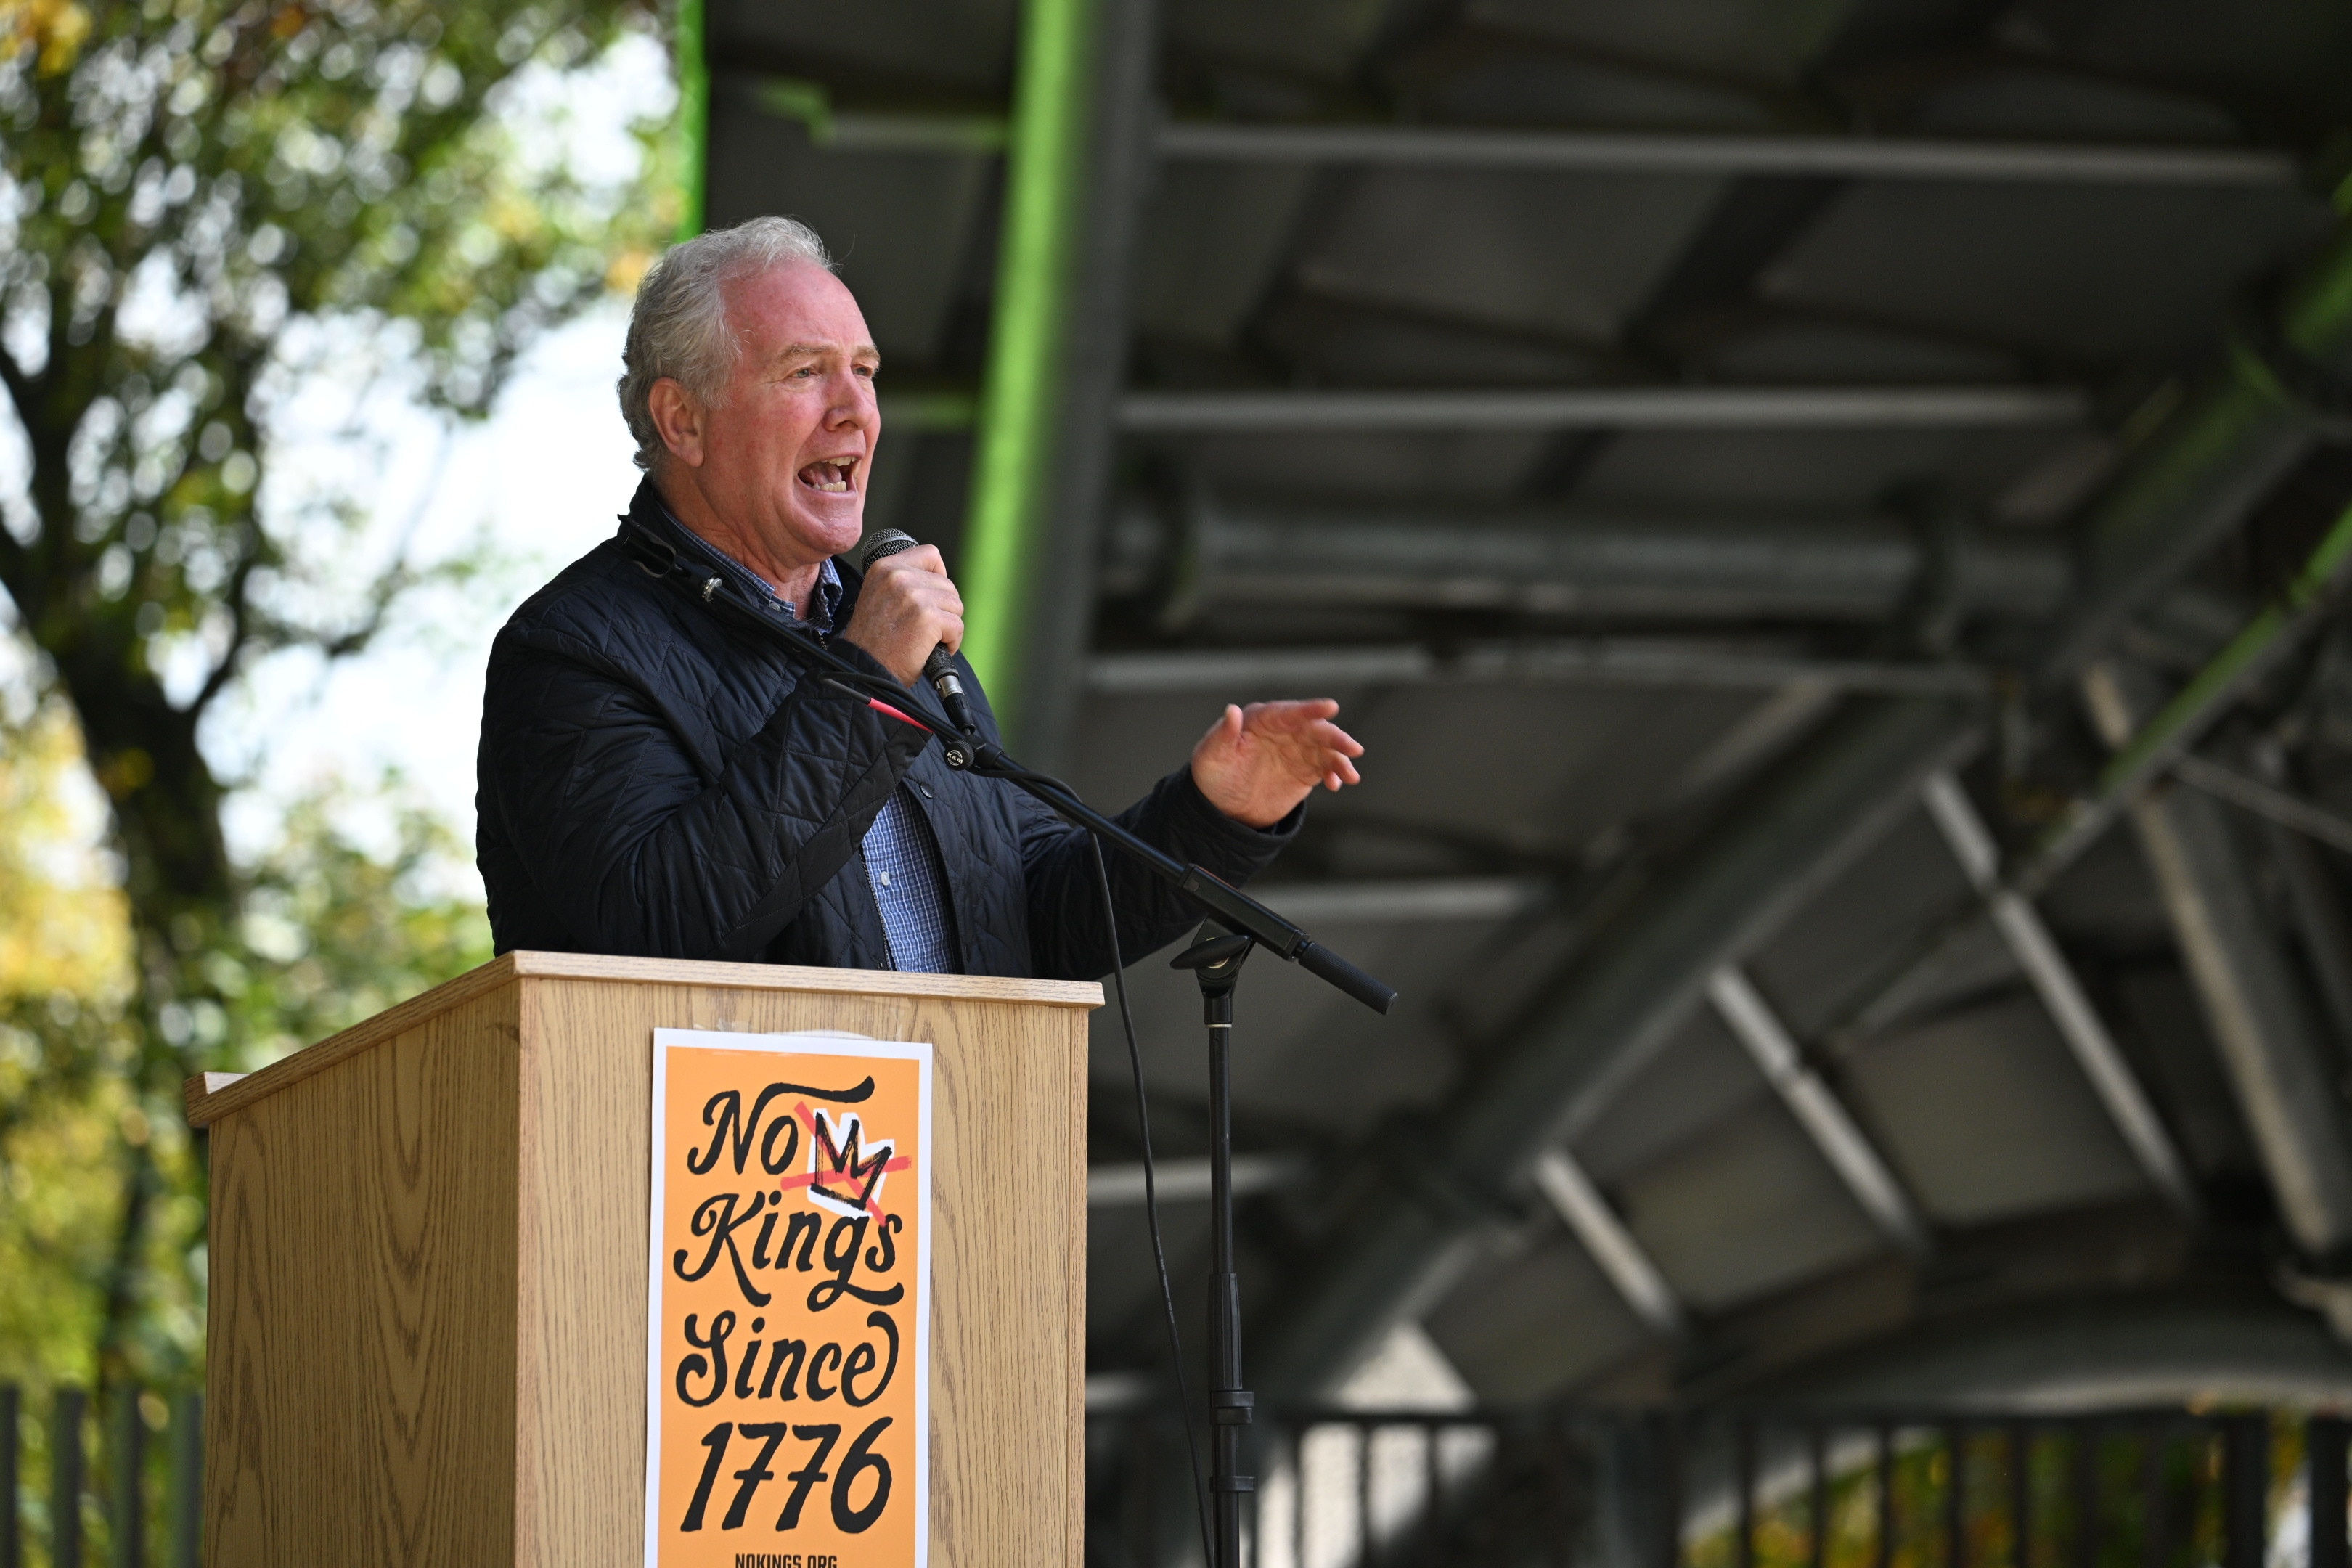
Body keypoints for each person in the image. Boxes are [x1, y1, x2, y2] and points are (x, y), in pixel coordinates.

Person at [475, 216, 1364, 976]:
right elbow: (663, 931)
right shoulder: (573, 650)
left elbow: (1029, 922)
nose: (856, 409)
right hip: (711, 1172)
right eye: (804, 372)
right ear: (684, 421)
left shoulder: (898, 646)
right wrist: (863, 683)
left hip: (938, 1158)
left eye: (864, 370)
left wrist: (1210, 817)